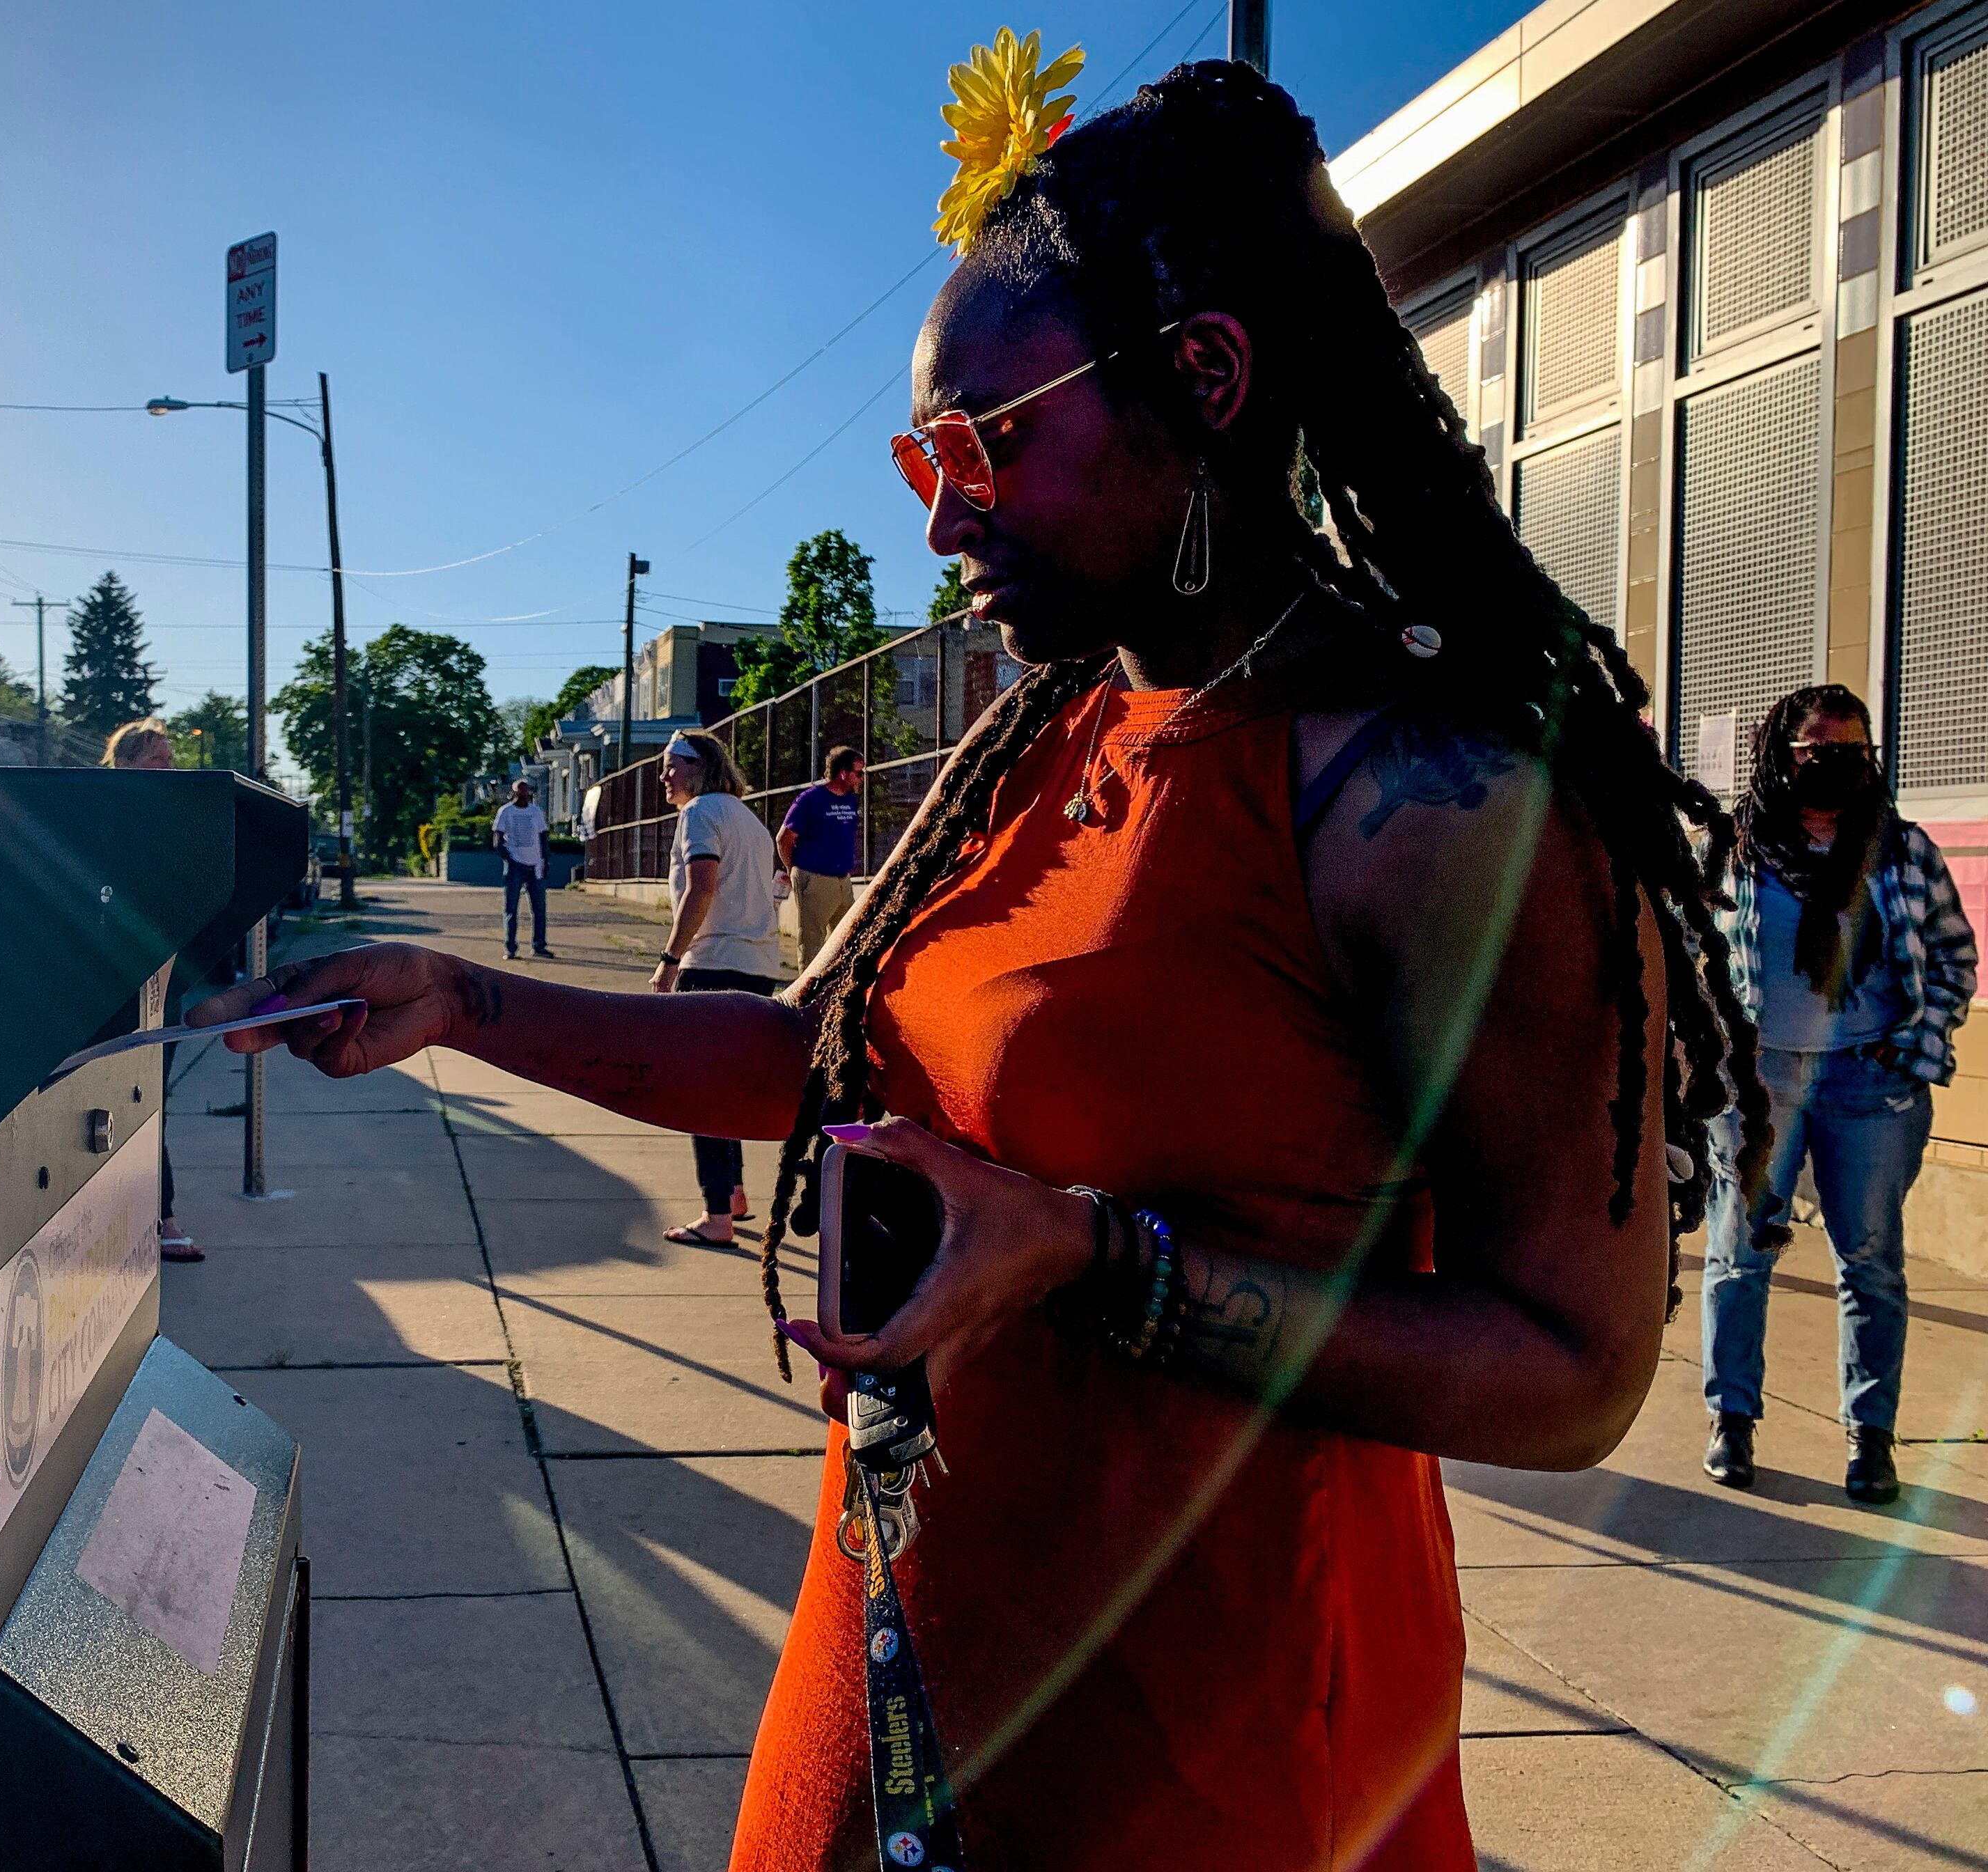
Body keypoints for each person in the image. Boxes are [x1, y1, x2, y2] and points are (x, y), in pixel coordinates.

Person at [195, 58, 1759, 1869]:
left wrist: (1097, 1258)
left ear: (1206, 385)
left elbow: (1577, 1367)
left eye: (986, 443)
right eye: (921, 458)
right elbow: (815, 1054)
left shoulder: (1435, 800)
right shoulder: (1045, 741)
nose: (940, 515)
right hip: (912, 1634)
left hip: (1214, 1748)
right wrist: (465, 1005)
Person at [1700, 685, 1974, 1504]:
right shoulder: (1733, 849)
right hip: (1759, 1085)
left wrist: (1912, 1048)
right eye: (1817, 749)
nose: (1835, 762)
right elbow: (1690, 953)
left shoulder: (1903, 851)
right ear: (1781, 758)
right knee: (1739, 1259)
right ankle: (1733, 1422)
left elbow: (1954, 959)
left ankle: (1871, 1438)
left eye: (1852, 749)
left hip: (1870, 1084)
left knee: (1872, 1264)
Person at [652, 730, 783, 1247]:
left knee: (700, 1093)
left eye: (672, 765)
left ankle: (716, 1217)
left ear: (699, 767)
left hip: (712, 964)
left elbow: (703, 885)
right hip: (757, 966)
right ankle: (733, 1195)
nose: (664, 775)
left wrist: (669, 960)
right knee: (730, 1088)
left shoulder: (700, 813)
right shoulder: (749, 819)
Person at [104, 717, 203, 1264]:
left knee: (151, 1096)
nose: (169, 770)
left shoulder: (179, 820)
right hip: (111, 977)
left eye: (170, 760)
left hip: (163, 979)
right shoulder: (106, 822)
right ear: (124, 766)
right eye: (156, 762)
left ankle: (161, 1215)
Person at [776, 745, 865, 962]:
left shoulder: (851, 800)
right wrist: (794, 870)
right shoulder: (810, 799)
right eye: (859, 773)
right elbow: (784, 839)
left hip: (843, 881)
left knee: (848, 939)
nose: (862, 778)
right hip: (814, 879)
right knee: (812, 942)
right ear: (843, 773)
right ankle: (809, 994)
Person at [493, 778, 555, 960]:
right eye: (520, 791)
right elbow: (497, 839)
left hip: (535, 867)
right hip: (515, 867)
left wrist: (545, 861)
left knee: (539, 910)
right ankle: (510, 948)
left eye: (526, 791)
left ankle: (539, 947)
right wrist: (508, 858)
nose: (524, 795)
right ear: (513, 793)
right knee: (511, 909)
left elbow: (543, 837)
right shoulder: (506, 812)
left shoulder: (536, 812)